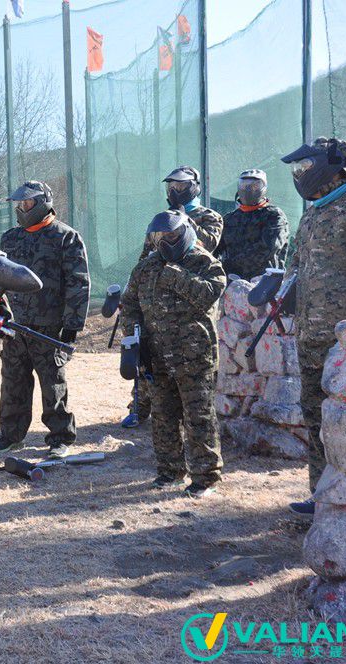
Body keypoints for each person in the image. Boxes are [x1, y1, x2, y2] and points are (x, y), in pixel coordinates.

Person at [279, 137, 346, 516]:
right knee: (316, 418)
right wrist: (286, 294)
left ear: (330, 167)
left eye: (305, 168)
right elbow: (296, 265)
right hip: (311, 337)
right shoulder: (312, 214)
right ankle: (321, 496)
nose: (299, 175)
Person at [120, 209, 226, 498]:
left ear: (186, 232)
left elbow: (208, 294)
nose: (166, 240)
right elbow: (130, 304)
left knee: (199, 417)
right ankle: (170, 472)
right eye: (160, 236)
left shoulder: (205, 262)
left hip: (195, 357)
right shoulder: (146, 267)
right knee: (163, 417)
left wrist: (174, 274)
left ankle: (205, 477)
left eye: (172, 234)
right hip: (156, 356)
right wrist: (134, 341)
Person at [0, 180, 90, 458]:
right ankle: (11, 436)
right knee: (13, 382)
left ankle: (60, 437)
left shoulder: (65, 237)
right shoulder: (10, 238)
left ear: (44, 202)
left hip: (49, 327)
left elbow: (78, 283)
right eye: (20, 203)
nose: (23, 208)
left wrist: (71, 326)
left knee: (53, 383)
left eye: (28, 202)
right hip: (15, 325)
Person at [122, 166, 224, 427]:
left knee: (192, 380)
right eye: (171, 187)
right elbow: (147, 254)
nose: (175, 191)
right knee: (149, 355)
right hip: (156, 293)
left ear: (194, 186)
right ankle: (139, 407)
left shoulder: (209, 217)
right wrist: (137, 283)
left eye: (181, 186)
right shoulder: (161, 220)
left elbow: (206, 244)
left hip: (188, 294)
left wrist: (184, 221)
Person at [218, 169, 289, 280]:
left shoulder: (274, 215)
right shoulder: (230, 218)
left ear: (264, 188)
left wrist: (230, 264)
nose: (248, 189)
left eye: (255, 186)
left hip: (265, 281)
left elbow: (268, 249)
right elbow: (217, 249)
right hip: (234, 282)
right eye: (244, 185)